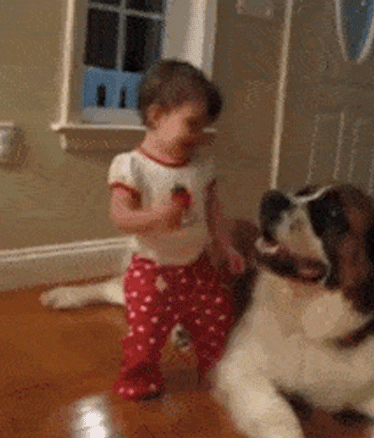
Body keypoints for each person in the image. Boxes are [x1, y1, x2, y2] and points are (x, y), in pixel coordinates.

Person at [107, 59, 245, 401]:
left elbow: (213, 213)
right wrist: (156, 216)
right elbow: (120, 217)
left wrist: (226, 246)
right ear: (156, 116)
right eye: (192, 125)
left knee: (217, 319)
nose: (198, 137)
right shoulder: (131, 166)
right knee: (146, 332)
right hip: (152, 269)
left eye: (204, 128)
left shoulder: (202, 167)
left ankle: (216, 372)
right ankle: (139, 380)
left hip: (197, 266)